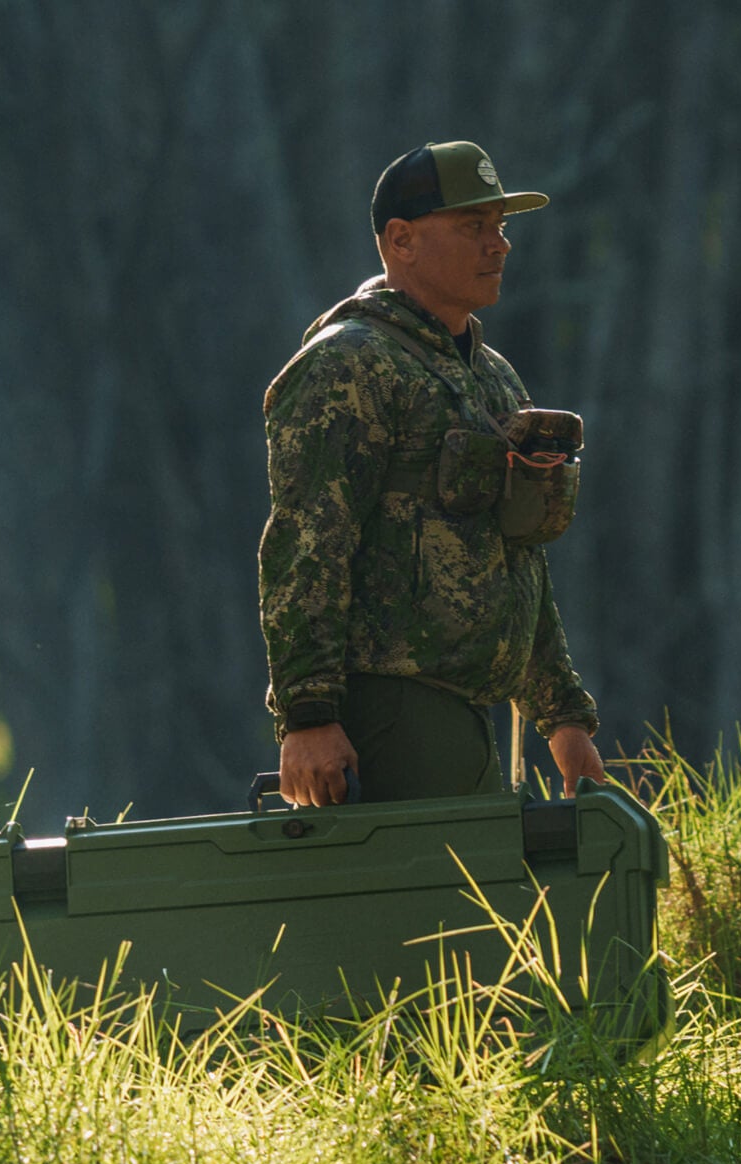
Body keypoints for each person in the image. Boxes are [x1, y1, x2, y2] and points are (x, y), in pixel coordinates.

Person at [257, 140, 606, 808]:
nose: (498, 245)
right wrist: (308, 716)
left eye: (500, 228)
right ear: (401, 240)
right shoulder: (348, 365)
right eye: (474, 227)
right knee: (445, 909)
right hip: (394, 711)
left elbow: (519, 555)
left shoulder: (491, 375)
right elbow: (307, 541)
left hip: (478, 714)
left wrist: (561, 715)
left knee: (489, 911)